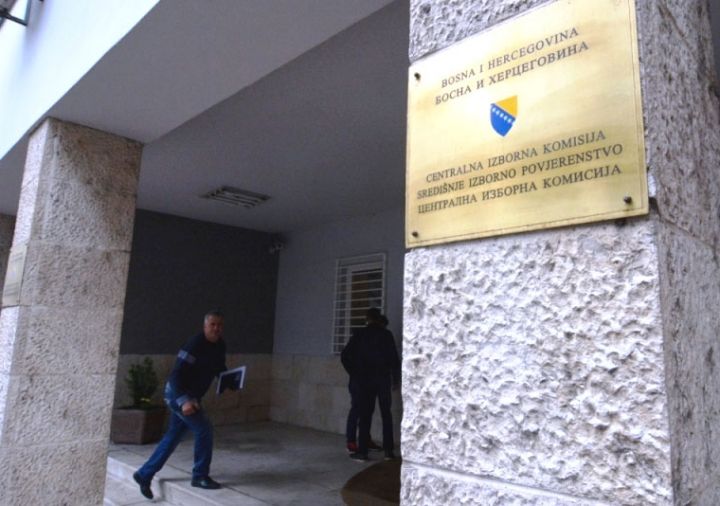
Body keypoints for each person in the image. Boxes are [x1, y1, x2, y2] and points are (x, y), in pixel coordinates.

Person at [133, 310, 230, 499]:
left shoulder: (220, 345)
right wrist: (184, 401)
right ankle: (199, 476)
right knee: (204, 430)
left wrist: (230, 380)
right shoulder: (195, 344)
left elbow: (219, 367)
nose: (216, 328)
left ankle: (144, 474)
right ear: (205, 326)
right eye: (212, 324)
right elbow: (176, 374)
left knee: (173, 436)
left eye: (219, 325)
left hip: (193, 397)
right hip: (177, 395)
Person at [341, 308, 400, 461]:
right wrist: (395, 379)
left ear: (367, 319)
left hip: (364, 380)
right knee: (386, 414)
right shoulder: (386, 335)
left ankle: (362, 451)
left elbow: (345, 355)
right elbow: (394, 359)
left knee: (365, 414)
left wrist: (354, 372)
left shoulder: (360, 334)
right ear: (379, 319)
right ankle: (388, 451)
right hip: (383, 379)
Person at [343, 315, 389, 453]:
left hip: (364, 380)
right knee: (358, 410)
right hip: (359, 381)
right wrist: (354, 372)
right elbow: (345, 355)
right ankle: (352, 441)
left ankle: (363, 441)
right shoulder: (361, 336)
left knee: (365, 412)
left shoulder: (366, 337)